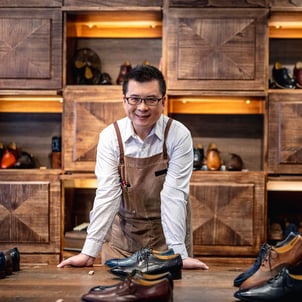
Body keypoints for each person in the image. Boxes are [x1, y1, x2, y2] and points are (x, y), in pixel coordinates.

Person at [58, 64, 208, 270]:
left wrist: (178, 254)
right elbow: (107, 194)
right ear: (124, 100)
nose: (142, 107)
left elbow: (173, 195)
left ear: (163, 101)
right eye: (135, 99)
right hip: (122, 239)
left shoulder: (178, 135)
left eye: (151, 99)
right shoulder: (110, 137)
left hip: (168, 239)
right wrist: (89, 252)